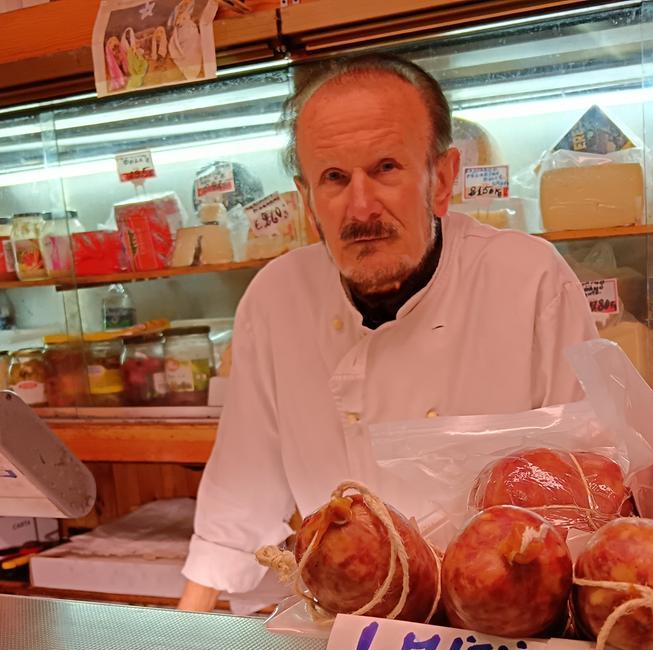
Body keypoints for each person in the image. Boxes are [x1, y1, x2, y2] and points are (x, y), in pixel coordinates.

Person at [178, 53, 597, 613]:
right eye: (334, 178)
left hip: (498, 629)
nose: (360, 206)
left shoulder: (529, 280)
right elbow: (239, 493)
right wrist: (182, 648)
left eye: (386, 168)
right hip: (342, 624)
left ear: (441, 179)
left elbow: (583, 496)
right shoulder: (276, 299)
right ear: (308, 201)